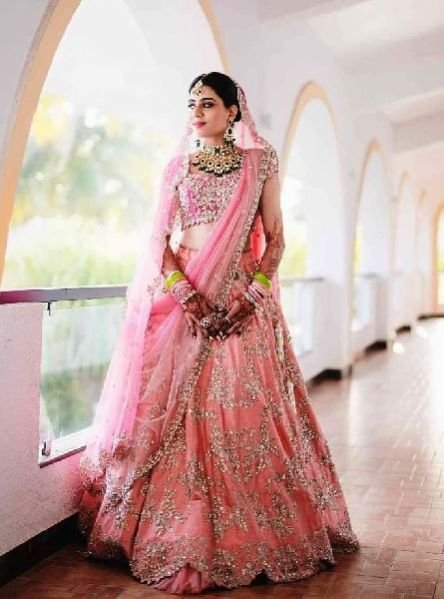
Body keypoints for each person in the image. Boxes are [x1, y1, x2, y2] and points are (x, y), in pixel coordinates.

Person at [77, 72, 359, 595]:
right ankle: (179, 532)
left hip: (243, 307)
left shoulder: (260, 162)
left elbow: (276, 239)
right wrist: (188, 298)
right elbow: (158, 243)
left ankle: (252, 533)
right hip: (186, 306)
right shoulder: (177, 167)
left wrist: (251, 298)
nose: (197, 113)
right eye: (192, 104)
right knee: (176, 419)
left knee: (245, 412)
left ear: (233, 111)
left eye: (207, 103)